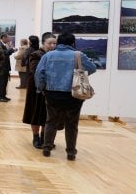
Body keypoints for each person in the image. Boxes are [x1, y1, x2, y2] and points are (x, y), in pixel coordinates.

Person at [34, 31, 96, 160]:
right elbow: (92, 68)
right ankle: (71, 152)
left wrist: (41, 88)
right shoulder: (79, 55)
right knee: (71, 124)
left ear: (59, 42)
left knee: (51, 121)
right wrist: (79, 75)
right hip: (73, 94)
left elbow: (39, 73)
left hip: (52, 93)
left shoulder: (48, 55)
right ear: (73, 43)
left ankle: (47, 147)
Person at [22, 34, 54, 149]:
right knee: (35, 112)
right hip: (35, 88)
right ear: (43, 43)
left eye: (54, 43)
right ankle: (35, 137)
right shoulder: (35, 54)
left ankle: (44, 136)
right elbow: (35, 70)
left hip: (50, 88)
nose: (52, 45)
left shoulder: (54, 55)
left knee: (47, 113)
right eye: (49, 43)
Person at [0, 33, 16, 102]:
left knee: (5, 82)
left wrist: (11, 50)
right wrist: (11, 49)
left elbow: (6, 53)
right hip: (2, 67)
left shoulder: (4, 45)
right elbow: (3, 53)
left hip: (5, 66)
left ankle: (3, 95)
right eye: (8, 38)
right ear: (4, 38)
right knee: (1, 82)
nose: (9, 39)